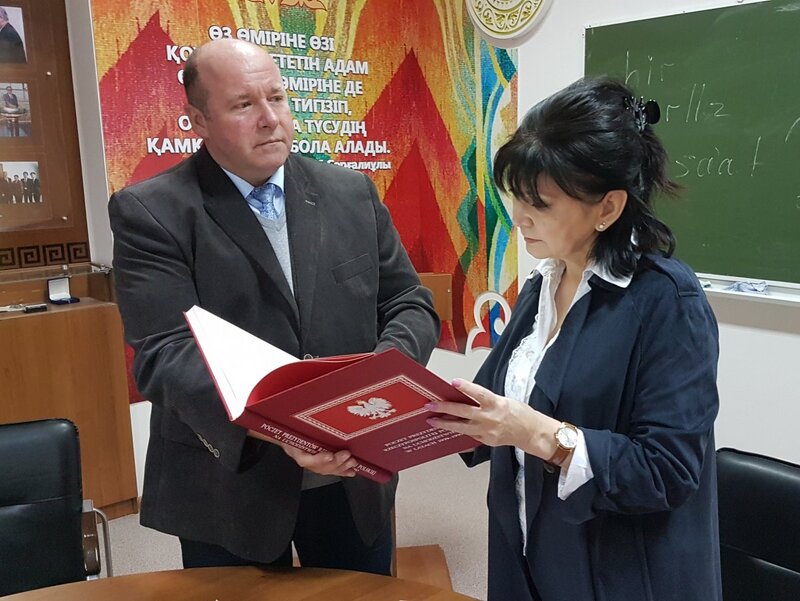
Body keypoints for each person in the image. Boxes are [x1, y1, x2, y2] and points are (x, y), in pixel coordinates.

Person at [109, 38, 439, 574]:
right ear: (198, 120)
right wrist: (286, 426)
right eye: (244, 104)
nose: (270, 119)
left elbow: (409, 303)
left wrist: (377, 383)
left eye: (277, 98)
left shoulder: (350, 192)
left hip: (351, 471)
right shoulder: (152, 212)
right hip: (230, 479)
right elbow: (165, 353)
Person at [427, 77, 721, 601]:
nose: (518, 218)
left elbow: (668, 471)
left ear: (607, 208)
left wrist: (541, 435)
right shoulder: (545, 279)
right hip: (528, 543)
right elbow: (491, 402)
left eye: (539, 204)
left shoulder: (667, 301)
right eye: (515, 197)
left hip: (617, 567)